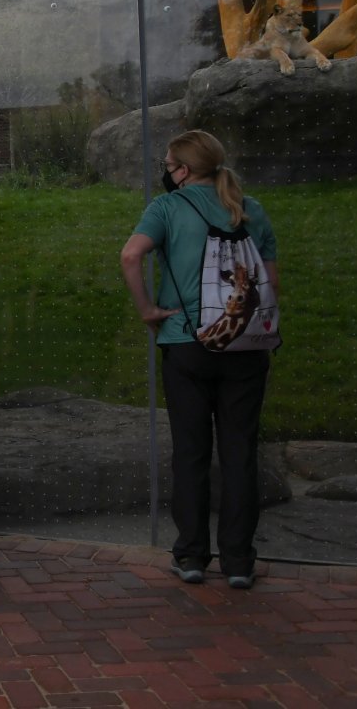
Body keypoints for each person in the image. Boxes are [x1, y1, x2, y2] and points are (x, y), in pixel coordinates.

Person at [121, 129, 278, 590]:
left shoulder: (167, 208)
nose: (166, 172)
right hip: (246, 348)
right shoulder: (253, 209)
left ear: (183, 171)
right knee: (239, 453)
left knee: (190, 453)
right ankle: (239, 562)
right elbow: (270, 285)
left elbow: (131, 255)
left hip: (187, 343)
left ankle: (191, 555)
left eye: (169, 165)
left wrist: (149, 310)